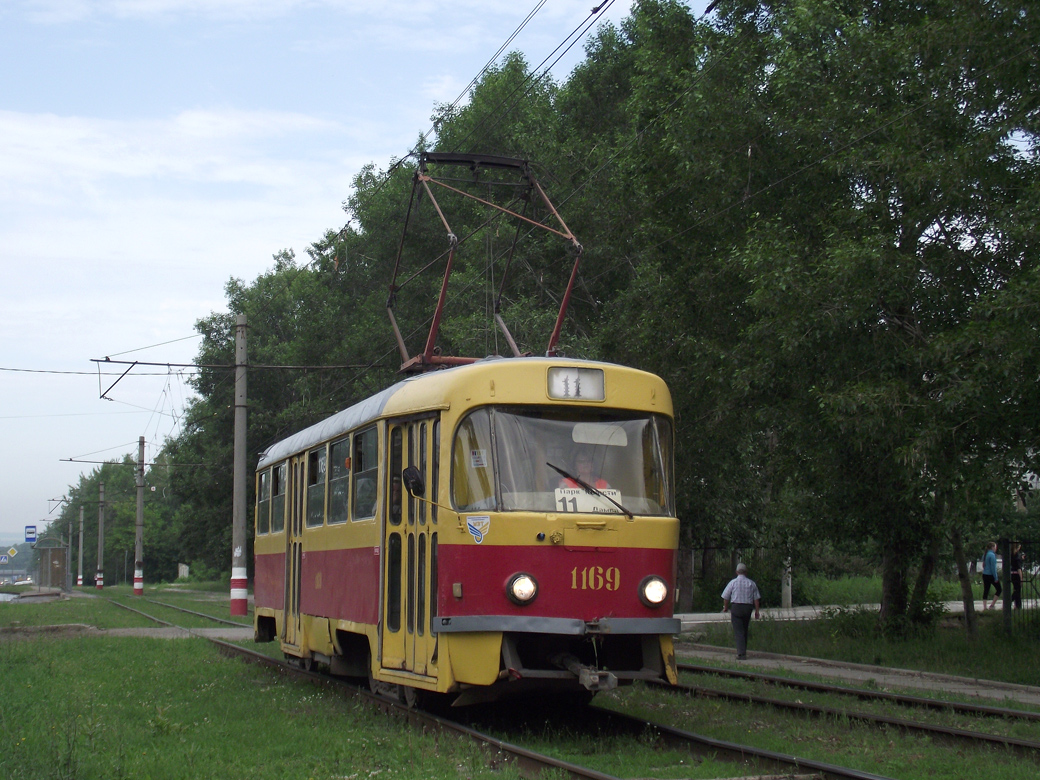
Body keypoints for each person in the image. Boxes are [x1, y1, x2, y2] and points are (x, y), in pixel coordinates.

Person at [721, 562, 761, 660]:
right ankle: (743, 651)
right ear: (746, 572)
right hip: (747, 608)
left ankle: (741, 654)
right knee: (744, 629)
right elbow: (756, 599)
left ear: (736, 572)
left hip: (736, 607)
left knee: (738, 631)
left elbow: (726, 596)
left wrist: (725, 607)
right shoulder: (751, 583)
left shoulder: (732, 582)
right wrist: (757, 611)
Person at [982, 541, 1002, 610]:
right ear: (993, 547)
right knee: (999, 589)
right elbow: (993, 568)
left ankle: (985, 607)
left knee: (986, 590)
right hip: (991, 575)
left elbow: (984, 565)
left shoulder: (985, 554)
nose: (996, 548)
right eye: (995, 547)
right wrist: (996, 577)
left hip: (985, 574)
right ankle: (992, 605)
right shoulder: (992, 555)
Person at [1010, 543, 1024, 610]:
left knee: (1016, 589)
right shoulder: (1017, 555)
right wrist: (1021, 578)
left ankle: (1017, 605)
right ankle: (1010, 601)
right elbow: (1019, 568)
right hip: (1017, 574)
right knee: (1017, 590)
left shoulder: (1012, 555)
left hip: (1012, 573)